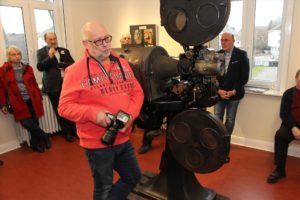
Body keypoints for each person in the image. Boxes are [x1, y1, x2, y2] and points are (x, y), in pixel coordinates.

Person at [58, 21, 144, 200]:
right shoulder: (74, 71)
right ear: (86, 44)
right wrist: (94, 115)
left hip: (123, 137)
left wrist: (130, 116)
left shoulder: (122, 63)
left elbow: (137, 92)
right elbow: (64, 107)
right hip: (97, 144)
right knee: (104, 186)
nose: (105, 44)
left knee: (133, 176)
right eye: (98, 41)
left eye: (106, 38)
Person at [0, 46, 51, 153]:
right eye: (14, 54)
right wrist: (3, 104)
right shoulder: (3, 70)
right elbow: (1, 89)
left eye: (18, 54)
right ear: (9, 56)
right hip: (17, 102)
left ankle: (35, 143)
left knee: (34, 122)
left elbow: (34, 83)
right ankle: (44, 136)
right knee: (26, 123)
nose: (17, 56)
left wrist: (39, 95)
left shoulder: (27, 68)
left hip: (32, 98)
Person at [214, 32, 250, 163]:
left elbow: (244, 77)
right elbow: (212, 75)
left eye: (226, 40)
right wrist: (218, 90)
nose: (224, 42)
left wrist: (234, 91)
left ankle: (225, 146)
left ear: (233, 41)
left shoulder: (241, 55)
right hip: (220, 94)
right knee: (217, 118)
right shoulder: (217, 55)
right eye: (222, 40)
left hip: (234, 95)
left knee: (229, 120)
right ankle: (216, 143)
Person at [37, 32, 77, 142]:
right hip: (52, 86)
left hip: (68, 84)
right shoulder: (41, 52)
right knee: (60, 110)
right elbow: (40, 67)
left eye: (54, 38)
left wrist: (64, 65)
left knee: (71, 108)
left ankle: (74, 130)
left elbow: (73, 64)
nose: (53, 41)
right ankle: (67, 132)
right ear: (45, 40)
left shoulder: (64, 50)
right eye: (50, 39)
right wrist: (50, 57)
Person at [267, 69, 300, 184]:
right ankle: (280, 170)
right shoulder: (288, 93)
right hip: (291, 125)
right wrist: (294, 128)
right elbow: (284, 113)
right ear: (296, 77)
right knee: (280, 135)